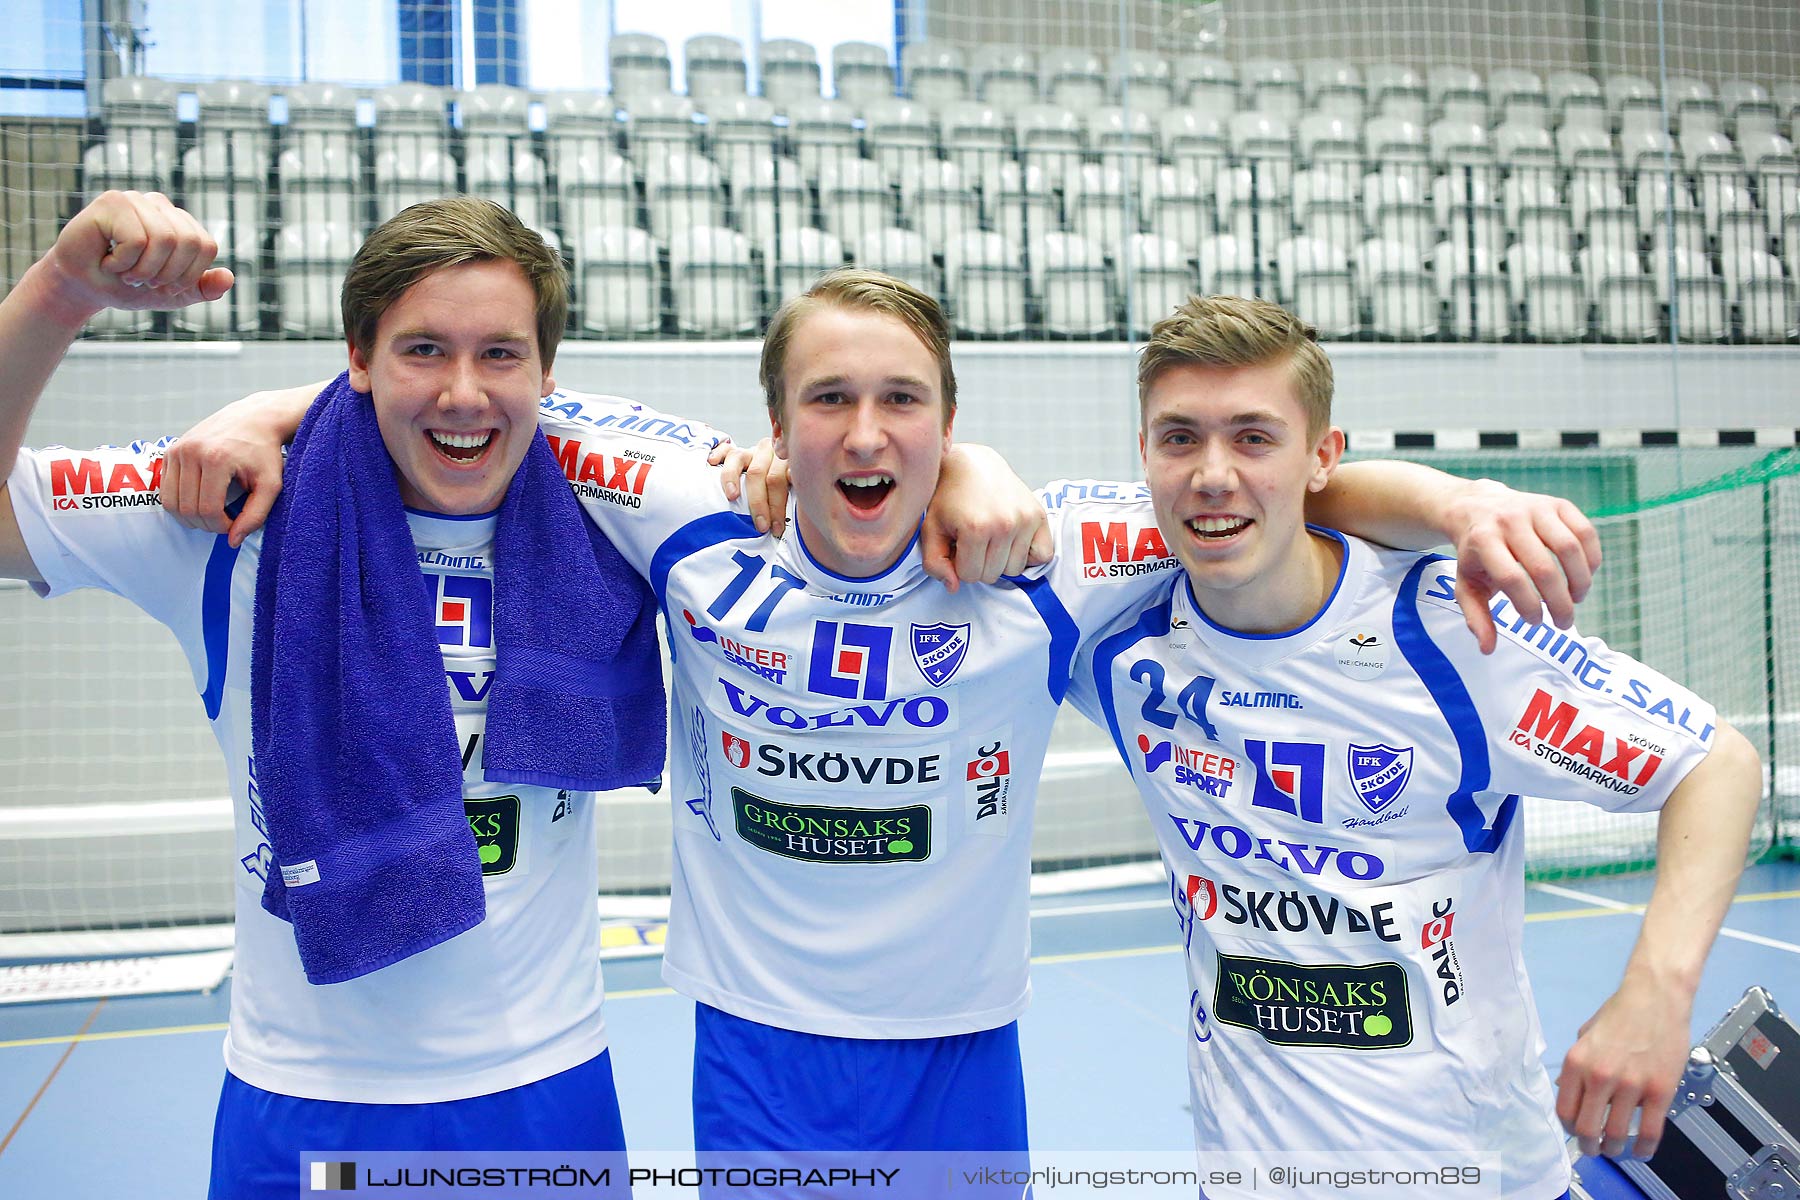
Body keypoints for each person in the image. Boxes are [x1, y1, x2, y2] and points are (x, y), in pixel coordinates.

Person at [165, 267, 1608, 1170]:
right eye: (830, 400)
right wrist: (275, 408)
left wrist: (1464, 501)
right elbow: (465, 384)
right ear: (772, 429)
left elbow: (1267, 478)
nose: (866, 434)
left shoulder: (1046, 559)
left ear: (950, 420)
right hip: (754, 1050)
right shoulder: (689, 529)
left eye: (906, 403)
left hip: (961, 1055)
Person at [0, 191, 682, 1198]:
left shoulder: (611, 516)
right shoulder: (230, 516)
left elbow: (841, 464)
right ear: (356, 360)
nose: (462, 392)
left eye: (500, 354)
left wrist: (969, 465)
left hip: (544, 1085)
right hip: (304, 1099)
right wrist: (59, 294)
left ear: (546, 373)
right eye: (420, 351)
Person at [1063, 295, 1762, 1199]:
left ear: (1324, 458)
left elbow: (1715, 764)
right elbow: (959, 519)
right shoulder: (1119, 642)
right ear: (1147, 457)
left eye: (1254, 438)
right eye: (1179, 438)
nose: (1212, 475)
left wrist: (1657, 996)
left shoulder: (1450, 636)